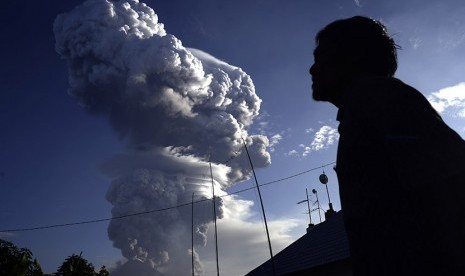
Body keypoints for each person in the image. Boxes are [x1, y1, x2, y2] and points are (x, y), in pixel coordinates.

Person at [310, 16, 465, 275]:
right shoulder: (366, 107)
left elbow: (451, 189)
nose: (313, 69)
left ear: (355, 55)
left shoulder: (380, 100)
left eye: (322, 56)